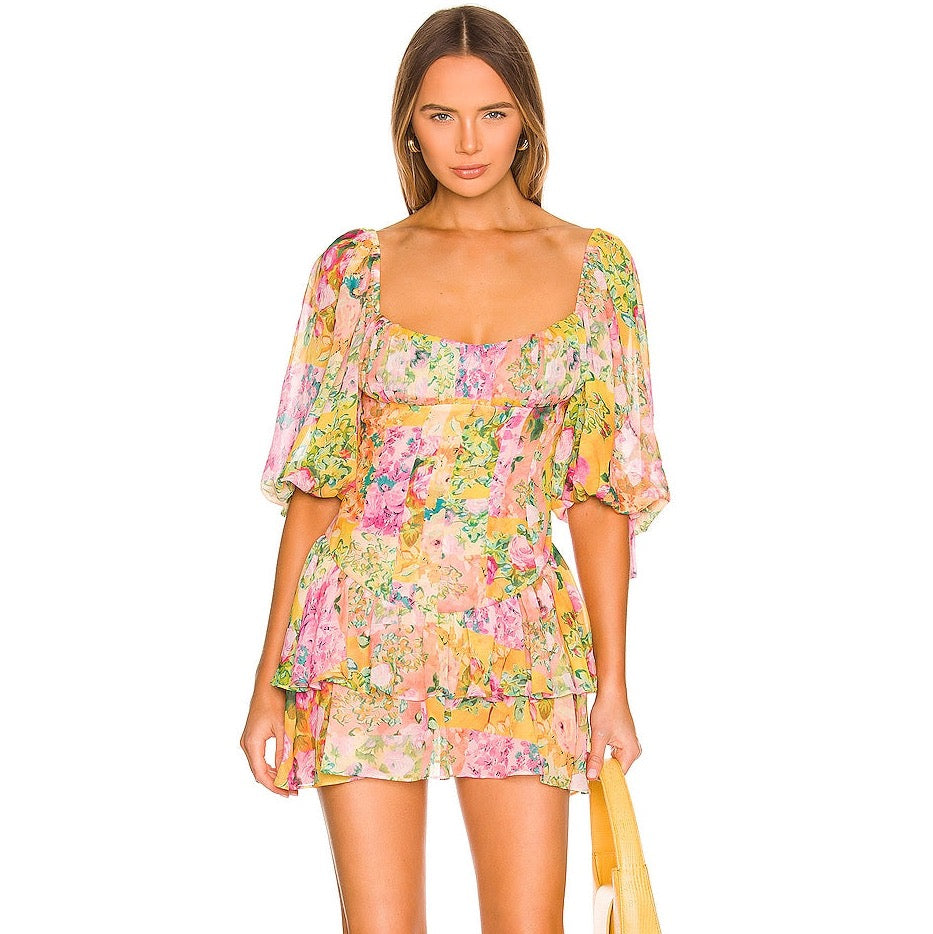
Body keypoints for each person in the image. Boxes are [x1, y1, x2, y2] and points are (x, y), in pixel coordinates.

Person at [240, 6, 670, 932]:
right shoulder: (354, 270)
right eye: (441, 115)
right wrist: (270, 679)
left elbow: (601, 497)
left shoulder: (597, 270)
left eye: (493, 113)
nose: (468, 142)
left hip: (520, 637)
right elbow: (318, 489)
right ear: (409, 124)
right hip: (362, 635)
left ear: (528, 121)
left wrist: (614, 687)